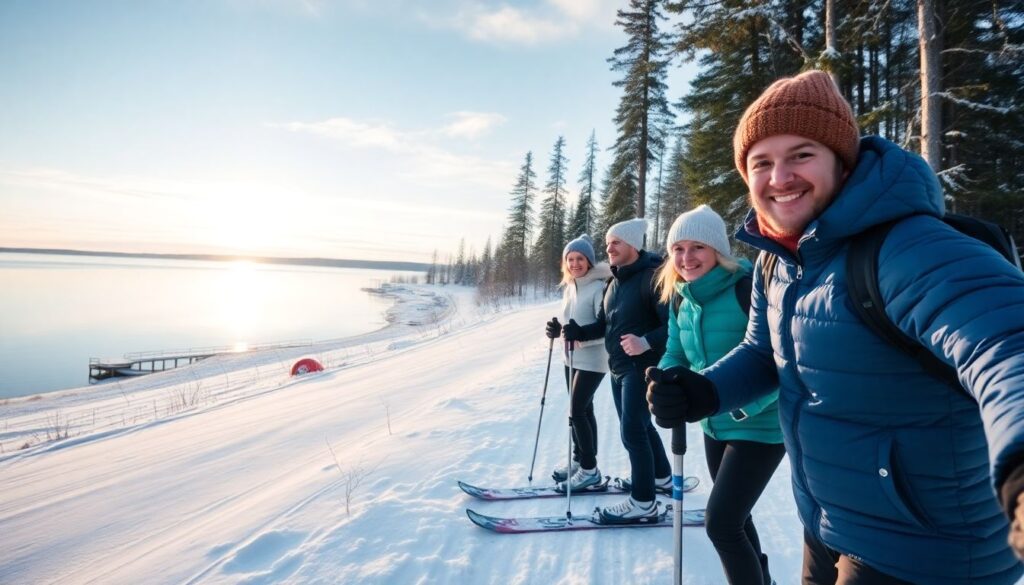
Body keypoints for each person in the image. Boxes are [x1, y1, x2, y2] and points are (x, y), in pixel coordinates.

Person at [645, 69, 1024, 584]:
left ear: (842, 162)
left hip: (925, 553)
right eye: (761, 162)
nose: (780, 177)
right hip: (829, 524)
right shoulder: (778, 261)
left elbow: (1005, 342)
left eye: (801, 155)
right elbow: (762, 353)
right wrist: (706, 391)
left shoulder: (908, 246)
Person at [656, 204, 785, 585]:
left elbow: (777, 362)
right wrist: (664, 382)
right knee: (737, 519)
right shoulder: (680, 298)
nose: (686, 258)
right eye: (678, 249)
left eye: (697, 247)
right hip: (713, 424)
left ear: (718, 251)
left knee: (722, 524)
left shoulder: (746, 289)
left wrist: (740, 407)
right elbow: (675, 352)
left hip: (761, 427)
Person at [562, 218, 672, 524]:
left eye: (616, 242)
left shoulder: (652, 278)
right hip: (618, 367)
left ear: (633, 245)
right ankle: (661, 478)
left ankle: (643, 502)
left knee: (632, 432)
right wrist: (578, 331)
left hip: (641, 367)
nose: (609, 248)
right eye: (608, 243)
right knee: (640, 427)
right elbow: (603, 325)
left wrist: (645, 341)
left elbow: (673, 325)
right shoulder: (614, 282)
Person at [544, 234, 612, 490]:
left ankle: (589, 469)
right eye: (570, 259)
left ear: (589, 261)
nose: (575, 264)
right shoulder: (570, 286)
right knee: (584, 410)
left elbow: (605, 328)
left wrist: (580, 335)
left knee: (577, 411)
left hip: (593, 359)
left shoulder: (599, 288)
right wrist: (558, 330)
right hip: (570, 357)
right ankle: (579, 459)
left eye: (580, 259)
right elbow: (571, 324)